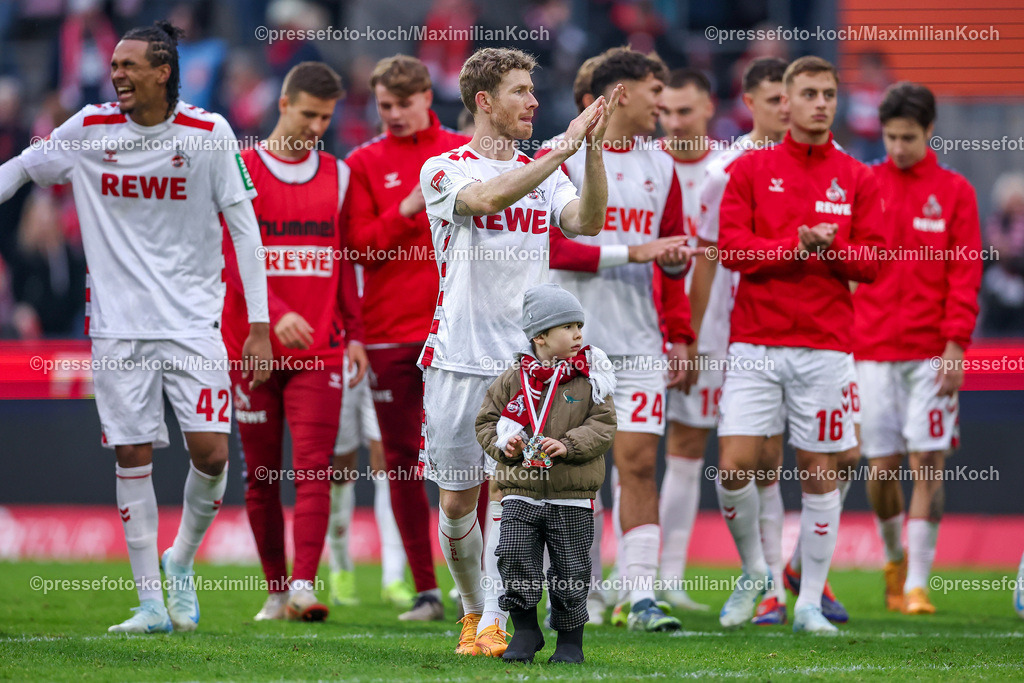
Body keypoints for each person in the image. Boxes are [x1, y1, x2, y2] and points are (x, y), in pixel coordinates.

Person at [0, 21, 273, 633]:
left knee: (212, 455)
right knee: (132, 452)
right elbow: (21, 167)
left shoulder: (209, 134)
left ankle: (180, 561)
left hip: (193, 321)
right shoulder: (90, 128)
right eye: (113, 65)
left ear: (163, 72)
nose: (116, 74)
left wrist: (258, 322)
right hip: (118, 326)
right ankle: (150, 603)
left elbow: (245, 230)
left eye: (128, 66)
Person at [418, 46, 616, 656]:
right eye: (520, 92)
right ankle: (473, 612)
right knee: (456, 503)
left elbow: (585, 220)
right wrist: (562, 144)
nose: (533, 102)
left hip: (525, 366)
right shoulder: (444, 169)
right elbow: (487, 201)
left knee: (518, 495)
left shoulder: (547, 166)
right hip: (457, 358)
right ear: (484, 101)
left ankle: (502, 619)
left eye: (534, 91)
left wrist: (591, 151)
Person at [716, 55, 885, 635]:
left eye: (829, 94)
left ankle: (809, 601)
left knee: (821, 472)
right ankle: (758, 574)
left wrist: (829, 249)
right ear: (785, 101)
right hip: (754, 343)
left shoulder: (859, 176)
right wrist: (797, 244)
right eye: (809, 93)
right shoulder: (749, 171)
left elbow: (874, 264)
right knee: (734, 467)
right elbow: (731, 249)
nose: (820, 103)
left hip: (825, 347)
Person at [546, 47, 693, 632]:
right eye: (655, 90)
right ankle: (589, 592)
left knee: (636, 463)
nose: (664, 103)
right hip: (573, 346)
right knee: (580, 473)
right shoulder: (561, 156)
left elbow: (674, 255)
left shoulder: (664, 166)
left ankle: (642, 597)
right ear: (621, 94)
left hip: (639, 345)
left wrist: (680, 325)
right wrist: (635, 252)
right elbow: (555, 248)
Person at [221, 61, 368, 622]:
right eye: (308, 114)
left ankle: (304, 586)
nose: (316, 127)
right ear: (282, 105)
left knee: (314, 471)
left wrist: (353, 333)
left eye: (326, 118)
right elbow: (233, 258)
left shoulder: (340, 175)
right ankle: (276, 590)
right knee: (261, 480)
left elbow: (347, 260)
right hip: (253, 349)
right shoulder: (240, 169)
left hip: (320, 352)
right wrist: (274, 314)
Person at [343, 54, 470, 621]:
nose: (392, 114)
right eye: (383, 105)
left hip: (457, 330)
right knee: (399, 463)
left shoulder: (464, 153)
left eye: (402, 103)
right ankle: (425, 590)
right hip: (391, 332)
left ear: (426, 97)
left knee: (469, 461)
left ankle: (479, 585)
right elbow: (362, 247)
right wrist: (409, 206)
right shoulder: (364, 162)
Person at [854, 82, 982, 615]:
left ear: (930, 131)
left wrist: (956, 346)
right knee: (881, 470)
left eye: (909, 137)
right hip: (871, 349)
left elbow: (965, 273)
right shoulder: (864, 185)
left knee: (927, 461)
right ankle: (893, 558)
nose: (899, 147)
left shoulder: (956, 193)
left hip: (932, 350)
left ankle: (918, 586)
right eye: (891, 137)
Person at [476, 283, 616, 664]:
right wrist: (503, 446)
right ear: (540, 336)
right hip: (520, 491)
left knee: (571, 570)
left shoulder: (591, 377)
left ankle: (570, 640)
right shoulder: (512, 379)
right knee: (515, 557)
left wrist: (568, 445)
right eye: (568, 326)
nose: (578, 334)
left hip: (571, 495)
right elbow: (486, 422)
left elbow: (604, 425)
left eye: (579, 325)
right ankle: (525, 631)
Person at [656, 66, 719, 613]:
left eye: (684, 111)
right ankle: (606, 575)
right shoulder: (645, 166)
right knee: (615, 452)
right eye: (666, 112)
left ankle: (668, 576)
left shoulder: (727, 169)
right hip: (635, 328)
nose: (673, 123)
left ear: (709, 109)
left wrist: (694, 336)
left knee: (686, 448)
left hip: (707, 335)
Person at [326, 266, 415, 611]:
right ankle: (340, 568)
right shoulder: (338, 226)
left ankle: (393, 576)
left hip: (384, 344)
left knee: (388, 460)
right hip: (341, 349)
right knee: (340, 464)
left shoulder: (392, 226)